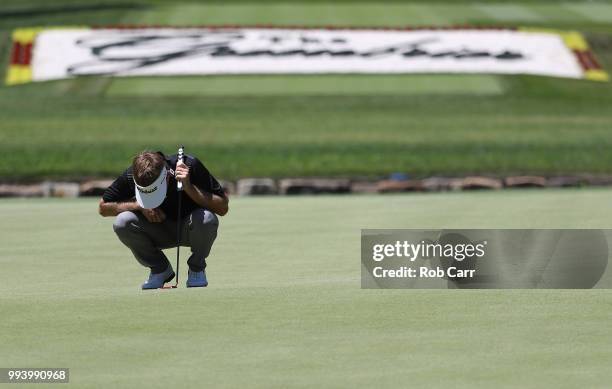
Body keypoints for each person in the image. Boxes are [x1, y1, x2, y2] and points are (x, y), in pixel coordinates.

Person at [98, 150, 229, 289]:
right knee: (122, 222)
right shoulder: (132, 174)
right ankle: (160, 269)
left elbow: (223, 207)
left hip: (190, 230)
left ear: (166, 176)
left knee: (206, 219)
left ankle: (196, 269)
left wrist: (189, 187)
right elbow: (103, 207)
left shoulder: (189, 165)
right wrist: (139, 205)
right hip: (158, 231)